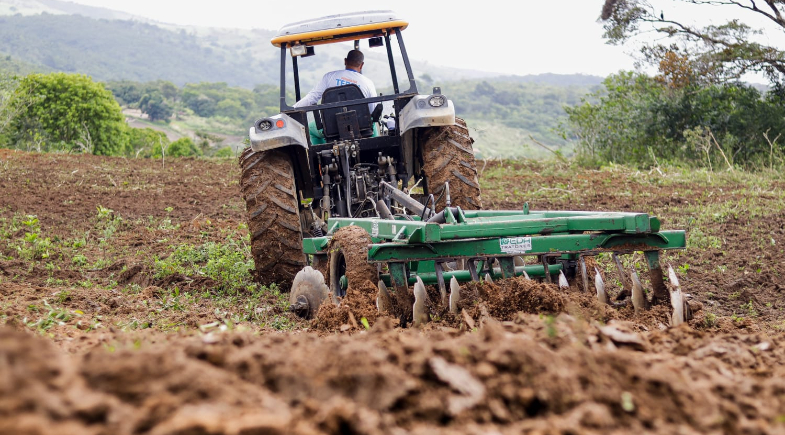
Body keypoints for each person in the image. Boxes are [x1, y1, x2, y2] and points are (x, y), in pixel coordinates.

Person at [294, 49, 377, 114]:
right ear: (362, 65)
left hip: (331, 127)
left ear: (345, 61)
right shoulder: (368, 83)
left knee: (311, 131)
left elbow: (312, 97)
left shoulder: (329, 77)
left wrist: (292, 110)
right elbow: (373, 110)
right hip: (362, 127)